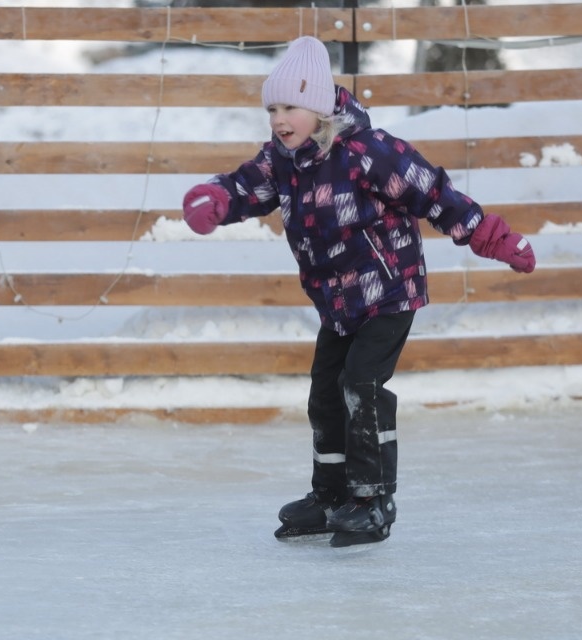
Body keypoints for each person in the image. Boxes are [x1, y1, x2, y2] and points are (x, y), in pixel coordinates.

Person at [181, 36, 536, 547]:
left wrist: (491, 236)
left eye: (292, 107)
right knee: (325, 395)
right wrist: (214, 198)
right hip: (338, 304)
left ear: (320, 107)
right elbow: (245, 186)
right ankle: (331, 496)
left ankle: (372, 499)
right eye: (273, 108)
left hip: (388, 292)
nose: (280, 119)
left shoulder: (368, 151)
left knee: (360, 385)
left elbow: (434, 193)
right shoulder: (283, 159)